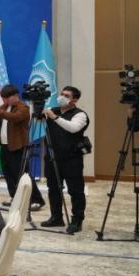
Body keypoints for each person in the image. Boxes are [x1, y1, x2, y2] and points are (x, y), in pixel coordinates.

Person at [0, 84, 45, 209]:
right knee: (8, 173)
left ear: (15, 96)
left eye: (6, 98)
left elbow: (15, 118)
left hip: (18, 146)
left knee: (23, 174)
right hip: (5, 146)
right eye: (3, 98)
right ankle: (14, 197)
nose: (4, 100)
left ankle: (36, 199)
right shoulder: (5, 107)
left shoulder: (23, 107)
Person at [42, 85, 89, 233]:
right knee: (53, 189)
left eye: (67, 96)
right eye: (62, 94)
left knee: (76, 190)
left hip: (72, 159)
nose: (62, 97)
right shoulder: (52, 110)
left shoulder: (80, 115)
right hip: (52, 157)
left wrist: (54, 117)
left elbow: (73, 128)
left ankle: (77, 220)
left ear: (74, 100)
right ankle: (56, 217)